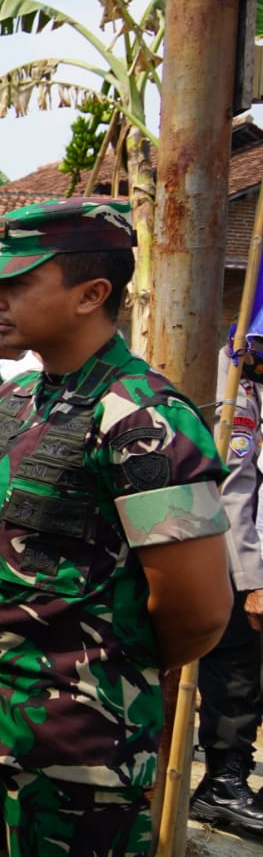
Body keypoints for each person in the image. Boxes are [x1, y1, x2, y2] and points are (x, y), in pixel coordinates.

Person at [0, 198, 233, 856]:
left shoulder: (144, 418)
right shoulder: (8, 400)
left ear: (90, 293)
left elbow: (198, 609)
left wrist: (102, 677)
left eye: (15, 282)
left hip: (77, 753)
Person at [190, 340, 263, 836]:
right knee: (239, 668)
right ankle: (223, 782)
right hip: (246, 560)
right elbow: (234, 485)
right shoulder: (239, 368)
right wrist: (254, 579)